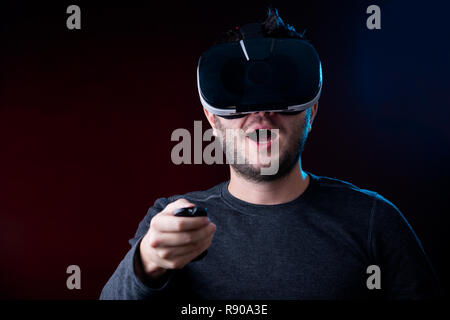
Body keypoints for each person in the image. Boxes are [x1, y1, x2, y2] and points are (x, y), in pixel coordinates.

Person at [100, 8, 442, 300]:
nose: (262, 114)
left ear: (313, 112)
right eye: (240, 96)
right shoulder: (173, 220)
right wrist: (146, 262)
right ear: (211, 118)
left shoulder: (373, 220)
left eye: (280, 95)